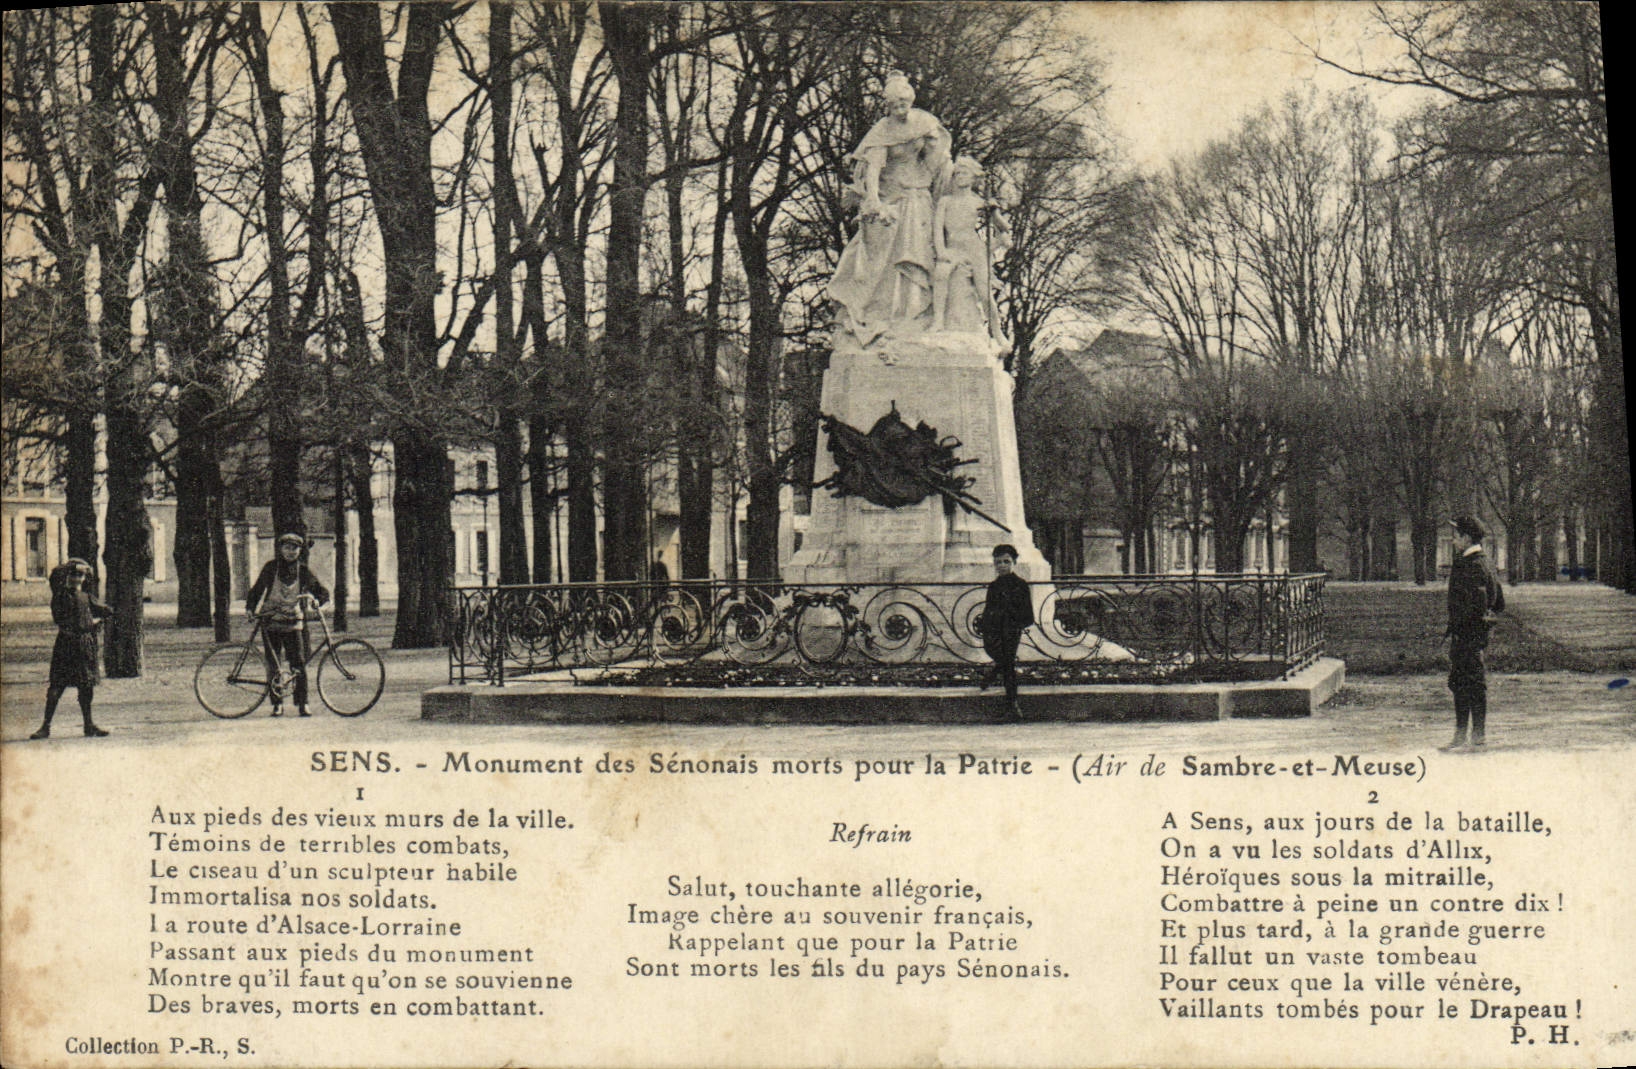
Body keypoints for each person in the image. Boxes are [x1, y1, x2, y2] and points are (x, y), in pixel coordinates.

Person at [826, 70, 952, 348]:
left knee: (918, 252)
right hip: (889, 198)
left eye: (904, 103)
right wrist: (872, 199)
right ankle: (882, 315)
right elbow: (873, 168)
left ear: (910, 100)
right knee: (881, 260)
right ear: (888, 105)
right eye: (895, 105)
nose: (900, 109)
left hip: (918, 195)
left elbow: (938, 159)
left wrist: (939, 158)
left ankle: (914, 315)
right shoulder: (881, 131)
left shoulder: (924, 122)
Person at [246, 532, 330, 718]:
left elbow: (322, 592)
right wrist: (250, 608)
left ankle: (303, 704)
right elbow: (257, 589)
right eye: (287, 548)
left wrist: (318, 602)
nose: (291, 552)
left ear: (300, 551)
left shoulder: (304, 571)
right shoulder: (271, 568)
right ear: (281, 549)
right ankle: (277, 705)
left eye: (295, 548)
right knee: (273, 665)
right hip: (271, 623)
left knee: (298, 664)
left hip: (294, 624)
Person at [30, 558, 111, 739]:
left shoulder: (87, 597)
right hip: (66, 645)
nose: (77, 579)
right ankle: (45, 726)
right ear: (67, 576)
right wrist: (75, 564)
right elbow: (55, 576)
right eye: (74, 575)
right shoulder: (59, 596)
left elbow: (105, 610)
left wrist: (100, 620)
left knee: (86, 686)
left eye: (80, 575)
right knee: (56, 686)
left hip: (84, 646)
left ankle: (88, 725)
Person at [1443, 515, 1504, 751]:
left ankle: (1473, 737)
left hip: (1467, 635)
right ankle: (1469, 736)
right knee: (1466, 683)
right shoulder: (1484, 562)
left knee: (1468, 684)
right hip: (1473, 635)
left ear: (1467, 538)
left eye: (1456, 535)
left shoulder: (1471, 564)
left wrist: (1465, 625)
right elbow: (1499, 602)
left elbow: (1478, 603)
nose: (1453, 539)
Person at [932, 156, 1010, 342]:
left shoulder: (979, 202)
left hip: (974, 249)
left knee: (984, 293)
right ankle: (938, 321)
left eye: (964, 173)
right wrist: (941, 250)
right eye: (957, 173)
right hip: (952, 248)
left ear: (973, 177)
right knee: (941, 275)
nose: (959, 176)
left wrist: (993, 212)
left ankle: (998, 333)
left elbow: (1004, 228)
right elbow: (937, 230)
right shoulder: (945, 201)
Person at [980, 544, 1034, 719]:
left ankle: (1012, 705)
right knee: (1003, 660)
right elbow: (988, 610)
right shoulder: (993, 586)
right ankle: (995, 671)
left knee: (1008, 663)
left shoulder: (1020, 585)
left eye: (1006, 561)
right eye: (998, 562)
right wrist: (987, 625)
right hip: (994, 631)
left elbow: (1028, 615)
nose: (1002, 565)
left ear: (1014, 563)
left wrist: (1013, 619)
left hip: (1011, 630)